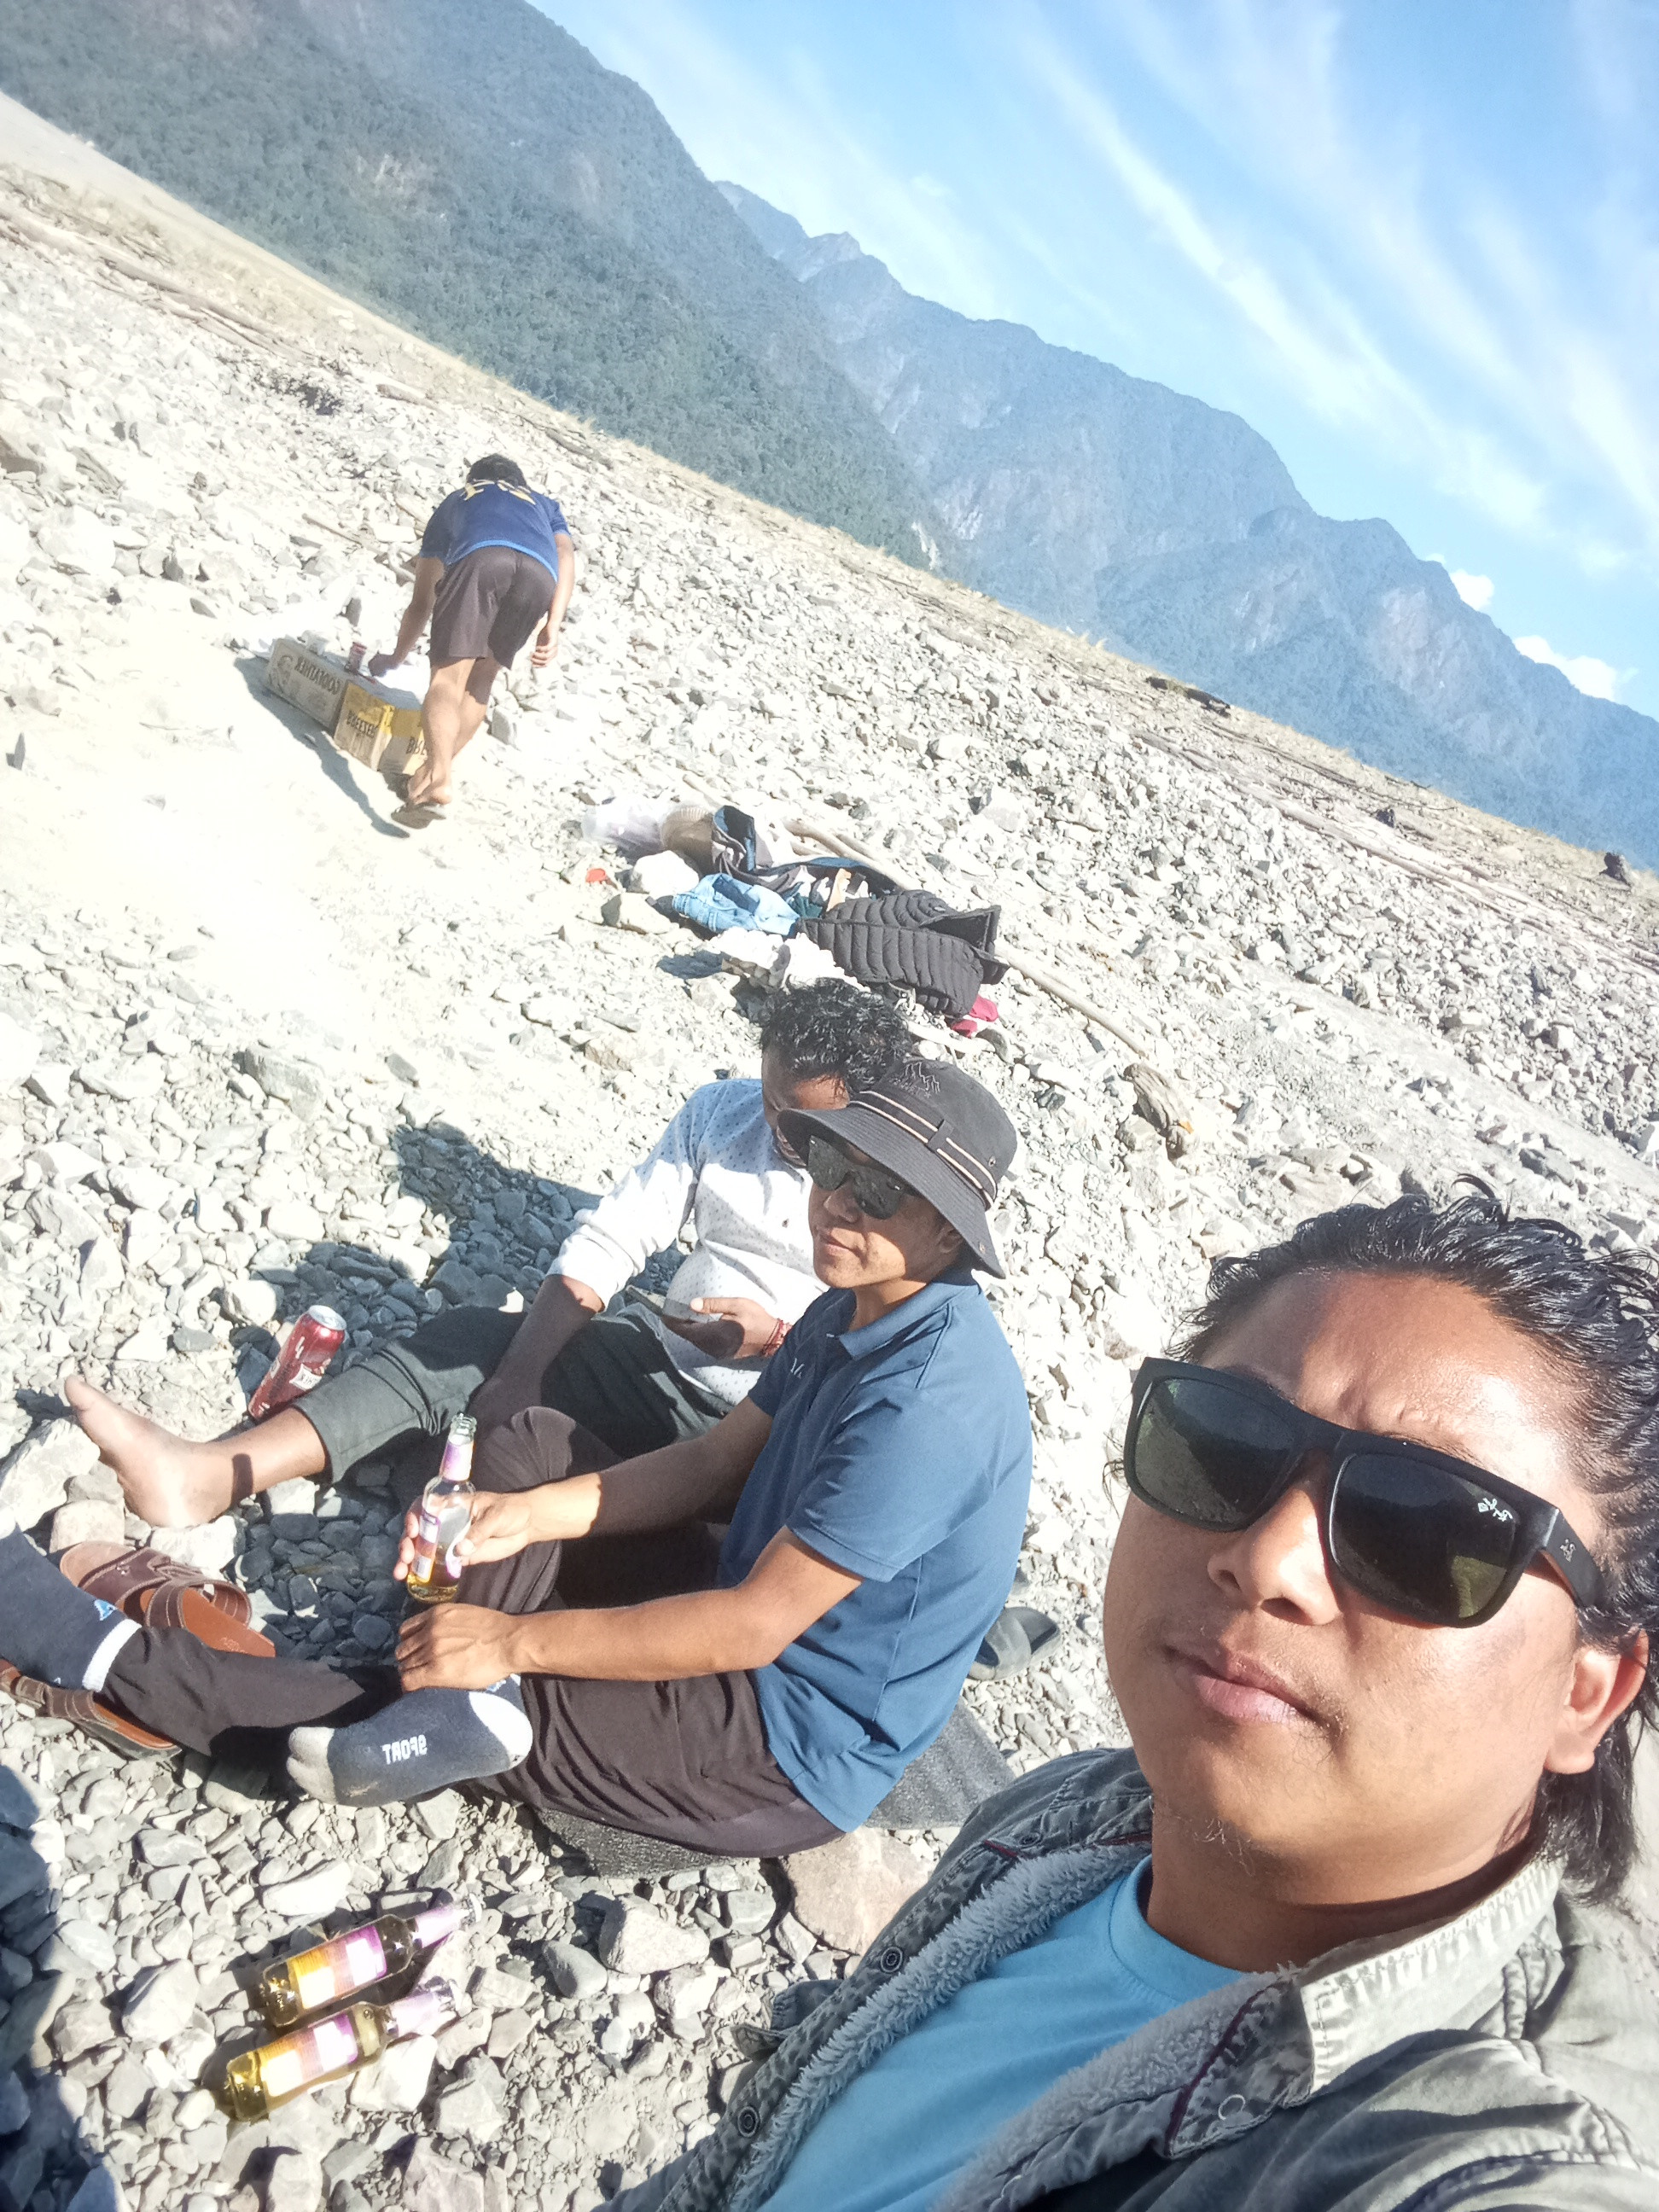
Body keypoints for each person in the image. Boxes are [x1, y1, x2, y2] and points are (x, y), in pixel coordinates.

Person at [601, 1188, 1659, 2211]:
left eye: (1430, 1529)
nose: (1268, 1561)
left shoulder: (1492, 2152)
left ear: (1588, 1693)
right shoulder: (1063, 1820)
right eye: (1226, 1443)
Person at [0, 1062, 1033, 1856]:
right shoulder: (853, 1307)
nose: (838, 1203)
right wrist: (523, 1517)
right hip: (736, 1587)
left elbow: (754, 1626)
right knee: (530, 1447)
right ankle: (456, 1694)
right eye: (835, 1168)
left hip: (781, 1736)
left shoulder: (927, 1407)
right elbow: (715, 1463)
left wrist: (513, 1642)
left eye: (879, 1192)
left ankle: (95, 1654)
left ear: (948, 1235)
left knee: (411, 1701)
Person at [62, 981, 912, 1531]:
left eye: (803, 1121)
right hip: (663, 1365)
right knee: (472, 1343)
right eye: (769, 1101)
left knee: (564, 1484)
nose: (775, 1130)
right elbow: (615, 1236)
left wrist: (777, 1341)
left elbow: (900, 1349)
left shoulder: (897, 1185)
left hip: (771, 1428)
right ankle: (215, 1471)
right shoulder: (724, 1114)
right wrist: (520, 1371)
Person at [370, 453, 573, 821]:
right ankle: (426, 779)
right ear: (521, 483)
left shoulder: (461, 498)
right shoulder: (544, 505)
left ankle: (440, 777)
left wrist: (396, 657)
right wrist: (553, 624)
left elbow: (422, 602)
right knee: (481, 680)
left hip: (484, 559)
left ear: (474, 479)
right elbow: (565, 553)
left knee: (447, 680)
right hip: (541, 576)